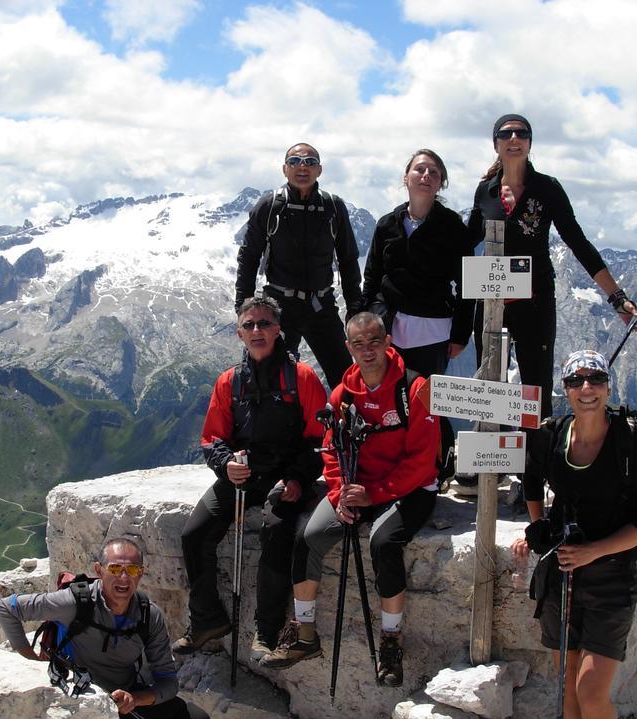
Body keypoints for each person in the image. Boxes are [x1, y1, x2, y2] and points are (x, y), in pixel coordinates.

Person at [261, 312, 440, 686]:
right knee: (308, 537)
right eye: (358, 344)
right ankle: (304, 635)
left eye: (374, 341)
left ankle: (390, 640)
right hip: (356, 487)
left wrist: (372, 493)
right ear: (348, 348)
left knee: (383, 541)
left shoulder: (416, 389)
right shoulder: (343, 394)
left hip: (409, 488)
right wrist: (342, 494)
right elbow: (330, 449)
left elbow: (422, 461)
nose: (368, 350)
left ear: (388, 342)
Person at [512, 349, 637, 719]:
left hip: (613, 578)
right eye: (576, 381)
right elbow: (531, 477)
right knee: (568, 692)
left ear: (608, 386)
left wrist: (594, 551)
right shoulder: (554, 433)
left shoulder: (628, 440)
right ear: (565, 390)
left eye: (595, 379)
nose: (586, 388)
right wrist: (538, 526)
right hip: (564, 576)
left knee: (589, 693)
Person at [173, 295, 327, 662]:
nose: (257, 330)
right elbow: (213, 438)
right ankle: (207, 619)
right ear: (240, 333)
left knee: (277, 532)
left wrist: (298, 479)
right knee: (194, 534)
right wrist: (226, 464)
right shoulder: (229, 382)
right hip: (241, 475)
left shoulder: (301, 378)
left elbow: (321, 440)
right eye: (249, 325)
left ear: (278, 330)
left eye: (264, 324)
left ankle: (268, 630)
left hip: (285, 478)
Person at [468, 114, 637, 419]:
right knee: (489, 389)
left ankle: (533, 467)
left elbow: (578, 243)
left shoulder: (547, 188)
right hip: (491, 301)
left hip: (535, 300)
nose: (513, 139)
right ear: (495, 144)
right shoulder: (486, 190)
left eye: (521, 133)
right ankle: (490, 463)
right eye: (506, 134)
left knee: (536, 391)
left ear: (530, 142)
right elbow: (465, 243)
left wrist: (617, 297)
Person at [0, 538, 212, 719]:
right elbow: (5, 607)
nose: (124, 578)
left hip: (123, 702)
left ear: (141, 573)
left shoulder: (148, 616)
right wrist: (29, 656)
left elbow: (168, 682)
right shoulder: (74, 603)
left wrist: (134, 699)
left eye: (132, 570)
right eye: (115, 569)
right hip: (78, 700)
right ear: (99, 570)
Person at [234, 142, 363, 389]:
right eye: (294, 162)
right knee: (268, 379)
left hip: (320, 306)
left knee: (346, 380)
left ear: (320, 170)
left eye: (310, 162)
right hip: (278, 308)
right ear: (285, 169)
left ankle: (344, 427)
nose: (302, 167)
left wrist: (355, 306)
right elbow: (248, 257)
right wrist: (244, 308)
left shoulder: (333, 207)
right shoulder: (269, 206)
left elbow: (348, 259)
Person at [360, 148, 474, 378]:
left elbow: (468, 285)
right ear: (406, 177)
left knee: (426, 403)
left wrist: (460, 335)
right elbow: (372, 277)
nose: (426, 175)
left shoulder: (453, 228)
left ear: (440, 183)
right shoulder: (386, 224)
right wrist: (364, 323)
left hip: (432, 332)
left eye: (434, 172)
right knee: (386, 400)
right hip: (387, 328)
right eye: (419, 169)